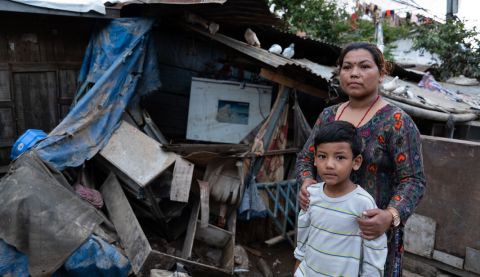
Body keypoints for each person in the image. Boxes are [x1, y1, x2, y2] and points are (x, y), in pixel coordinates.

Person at [296, 42, 426, 277]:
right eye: (347, 67)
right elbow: (306, 158)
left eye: (364, 66)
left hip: (371, 234)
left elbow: (413, 181)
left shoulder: (397, 122)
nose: (354, 73)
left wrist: (390, 216)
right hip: (326, 231)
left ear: (382, 73)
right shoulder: (328, 116)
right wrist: (306, 181)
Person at [294, 120, 387, 277]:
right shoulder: (312, 194)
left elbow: (374, 249)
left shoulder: (362, 202)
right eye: (322, 156)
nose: (329, 164)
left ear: (356, 162)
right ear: (315, 159)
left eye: (340, 158)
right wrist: (298, 268)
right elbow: (303, 233)